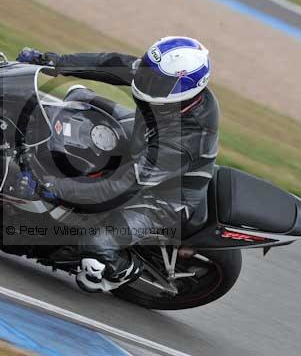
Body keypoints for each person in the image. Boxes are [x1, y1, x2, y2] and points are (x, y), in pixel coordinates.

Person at [12, 36, 219, 292]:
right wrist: (53, 61)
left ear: (183, 87)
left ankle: (122, 271)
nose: (145, 78)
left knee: (96, 245)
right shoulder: (159, 81)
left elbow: (121, 186)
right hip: (143, 137)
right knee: (78, 98)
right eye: (147, 71)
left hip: (163, 196)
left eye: (156, 79)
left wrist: (50, 187)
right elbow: (110, 64)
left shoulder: (184, 140)